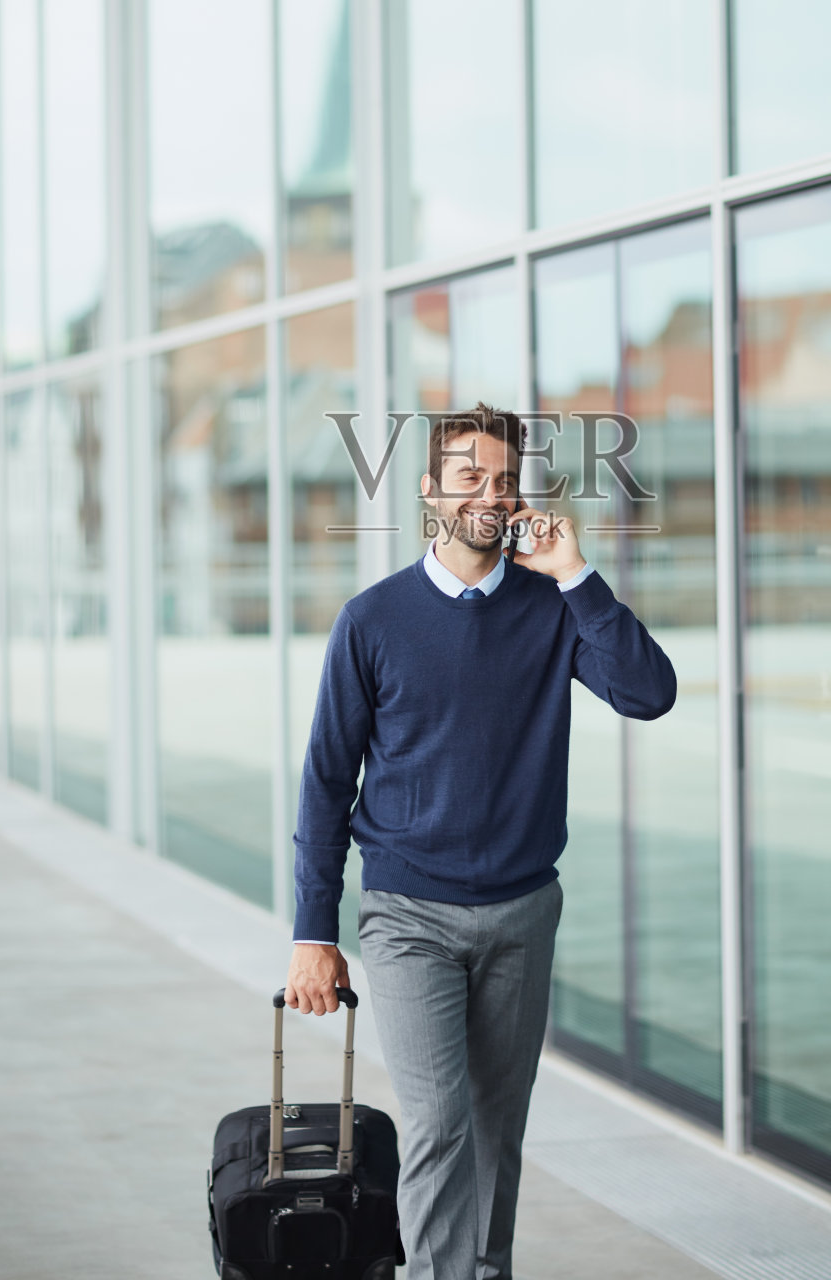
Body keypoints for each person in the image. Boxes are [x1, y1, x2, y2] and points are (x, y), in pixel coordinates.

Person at [285, 403, 676, 1280]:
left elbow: (649, 694)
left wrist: (578, 576)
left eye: (503, 481)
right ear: (429, 493)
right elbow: (323, 781)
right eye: (469, 478)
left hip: (521, 911)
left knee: (499, 1130)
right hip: (407, 911)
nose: (489, 497)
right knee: (438, 1126)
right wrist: (314, 934)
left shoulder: (554, 607)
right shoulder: (373, 619)